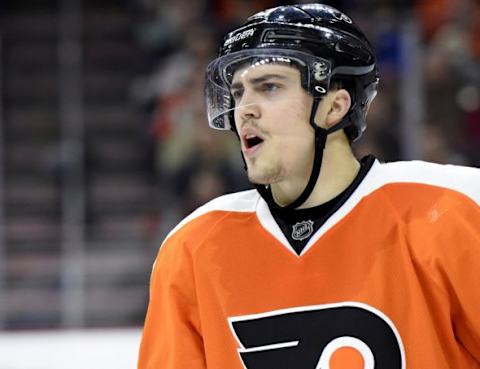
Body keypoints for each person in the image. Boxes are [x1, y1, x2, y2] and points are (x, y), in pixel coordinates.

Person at [138, 4, 480, 369]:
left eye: (269, 87)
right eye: (238, 93)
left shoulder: (451, 207)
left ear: (334, 107)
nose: (245, 109)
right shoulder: (192, 248)